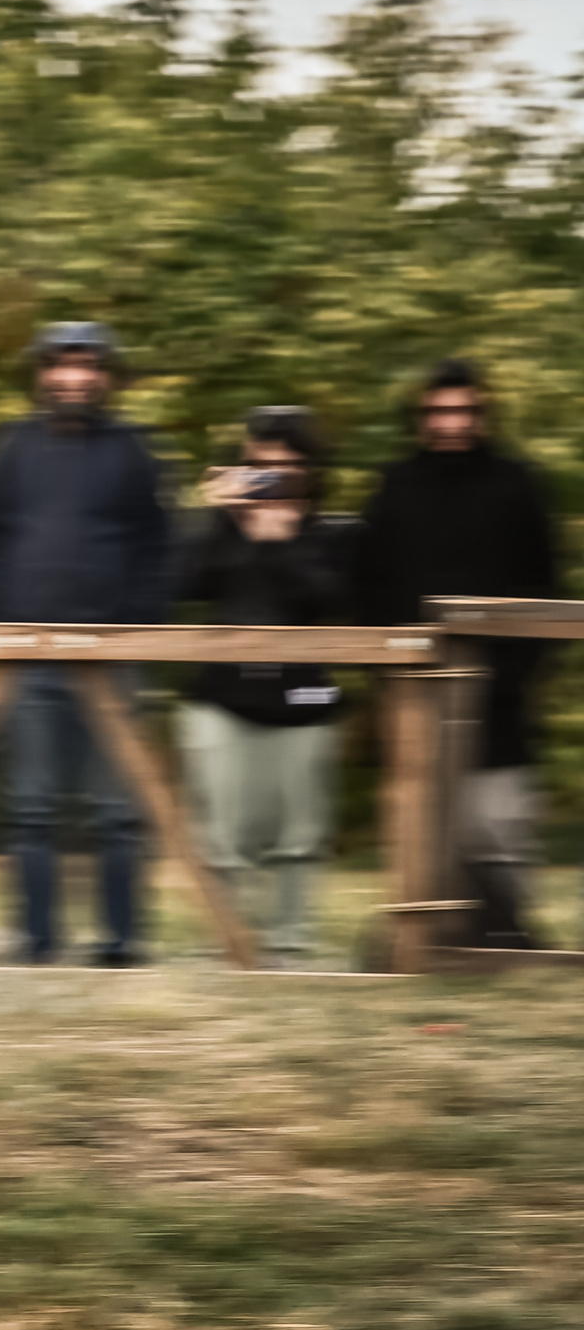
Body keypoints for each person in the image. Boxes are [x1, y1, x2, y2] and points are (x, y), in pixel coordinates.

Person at [0, 322, 171, 966]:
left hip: (114, 657)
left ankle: (121, 942)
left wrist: (133, 628)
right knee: (29, 808)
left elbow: (158, 545)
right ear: (41, 375)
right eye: (60, 364)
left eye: (87, 365)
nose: (74, 377)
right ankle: (36, 942)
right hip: (25, 657)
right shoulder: (8, 445)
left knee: (118, 811)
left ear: (106, 376)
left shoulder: (134, 449)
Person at [355, 359, 564, 948]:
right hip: (413, 695)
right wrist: (389, 671)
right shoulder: (394, 487)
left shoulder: (518, 485)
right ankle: (426, 941)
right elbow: (366, 588)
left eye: (464, 411)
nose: (451, 423)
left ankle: (504, 940)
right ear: (422, 417)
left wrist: (514, 675)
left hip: (500, 697)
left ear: (482, 415)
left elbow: (545, 589)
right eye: (440, 411)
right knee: (421, 828)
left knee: (498, 827)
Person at [173, 408, 352, 962]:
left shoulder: (333, 533)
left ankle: (289, 943)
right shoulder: (223, 529)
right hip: (221, 697)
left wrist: (279, 544)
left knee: (301, 832)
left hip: (307, 697)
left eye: (286, 468)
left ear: (312, 471)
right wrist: (224, 517)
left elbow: (334, 602)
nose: (272, 479)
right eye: (259, 467)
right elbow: (184, 584)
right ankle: (229, 942)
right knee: (223, 832)